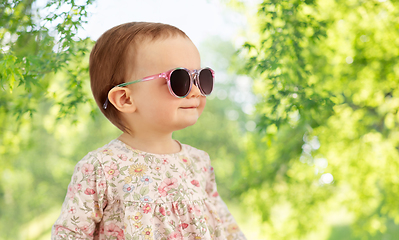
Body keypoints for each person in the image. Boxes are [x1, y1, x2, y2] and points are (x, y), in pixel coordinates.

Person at [52, 22, 246, 240]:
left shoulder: (198, 162)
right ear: (125, 99)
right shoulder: (101, 168)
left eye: (202, 79)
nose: (195, 91)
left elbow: (226, 227)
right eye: (179, 80)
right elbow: (70, 234)